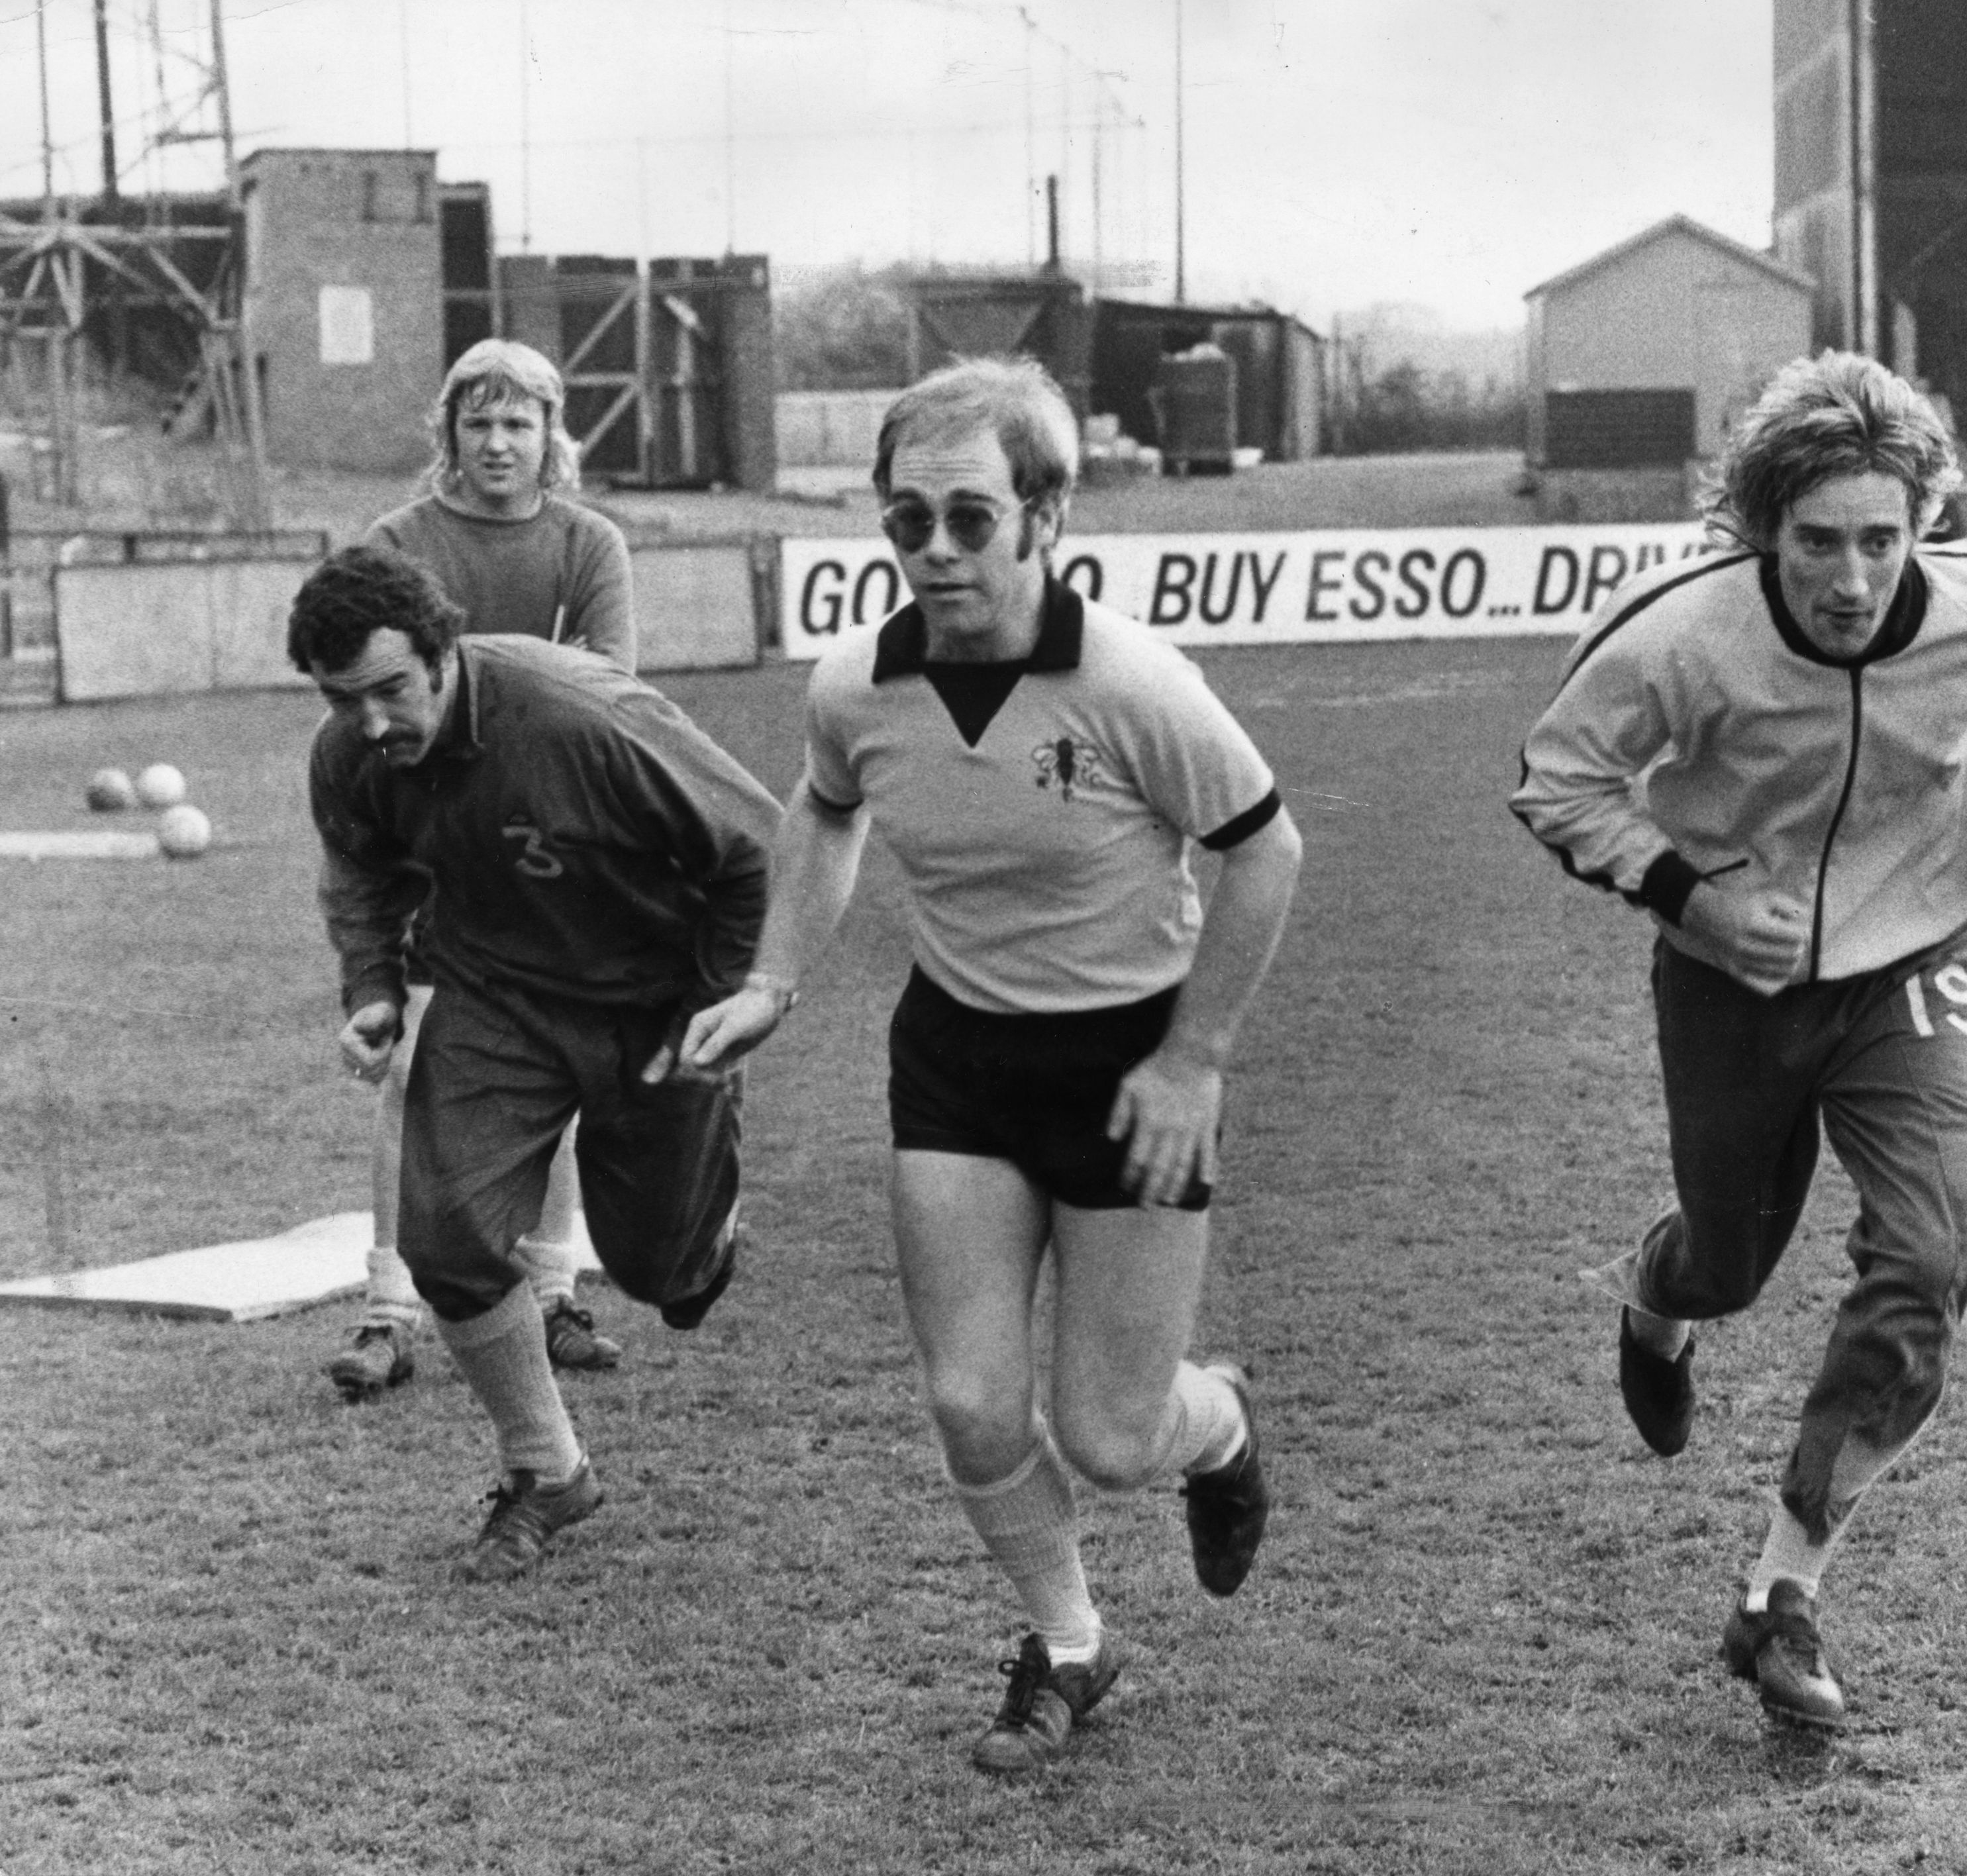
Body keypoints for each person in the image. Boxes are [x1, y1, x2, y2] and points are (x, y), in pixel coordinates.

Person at [677, 356, 1303, 1773]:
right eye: (908, 522)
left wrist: (1196, 1058)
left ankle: (1220, 1429)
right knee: (968, 1398)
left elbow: (1264, 848)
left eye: (971, 517)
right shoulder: (857, 685)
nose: (937, 551)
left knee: (1112, 1431)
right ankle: (1073, 1646)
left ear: (1044, 517)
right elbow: (824, 813)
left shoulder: (1130, 681)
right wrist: (775, 977)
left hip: (1133, 1063)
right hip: (957, 1058)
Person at [1511, 351, 1967, 1730]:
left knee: (1930, 1257)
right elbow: (1557, 779)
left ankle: (1783, 1588)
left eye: (1882, 539)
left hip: (1917, 965)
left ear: (1920, 525)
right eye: (1819, 542)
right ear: (1759, 530)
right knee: (1727, 1266)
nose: (1851, 578)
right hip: (1730, 986)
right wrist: (1693, 900)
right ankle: (1657, 1295)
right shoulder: (1675, 634)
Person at [294, 542, 779, 1581]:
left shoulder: (577, 716)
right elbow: (361, 872)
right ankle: (546, 1469)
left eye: (390, 690)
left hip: (655, 1004)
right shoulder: (349, 753)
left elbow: (756, 848)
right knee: (448, 1235)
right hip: (495, 997)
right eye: (344, 699)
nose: (372, 723)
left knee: (662, 1273)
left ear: (443, 651)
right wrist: (374, 986)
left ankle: (705, 1233)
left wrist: (728, 998)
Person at [329, 338, 638, 1402]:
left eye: (520, 423)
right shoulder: (399, 540)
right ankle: (385, 1308)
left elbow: (607, 697)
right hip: (427, 835)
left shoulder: (587, 542)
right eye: (479, 422)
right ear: (449, 434)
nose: (499, 442)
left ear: (552, 436)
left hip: (556, 833)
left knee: (558, 1065)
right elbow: (374, 697)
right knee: (415, 1071)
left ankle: (553, 1294)